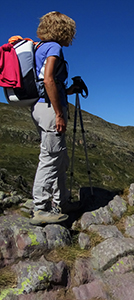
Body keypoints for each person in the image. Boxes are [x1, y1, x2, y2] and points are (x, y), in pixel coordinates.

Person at [30, 11, 78, 225]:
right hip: (49, 110)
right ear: (63, 29)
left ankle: (61, 201)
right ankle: (41, 208)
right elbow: (48, 80)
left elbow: (47, 83)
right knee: (50, 159)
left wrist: (69, 90)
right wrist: (59, 113)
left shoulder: (38, 48)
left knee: (59, 158)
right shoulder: (53, 47)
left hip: (40, 107)